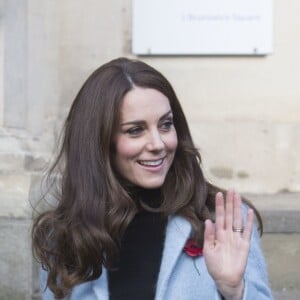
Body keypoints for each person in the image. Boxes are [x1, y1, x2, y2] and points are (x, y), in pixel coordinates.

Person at [32, 57, 273, 300]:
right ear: (100, 143)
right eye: (135, 130)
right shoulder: (66, 233)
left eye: (166, 125)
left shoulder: (221, 220)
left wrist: (235, 291)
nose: (158, 144)